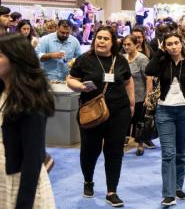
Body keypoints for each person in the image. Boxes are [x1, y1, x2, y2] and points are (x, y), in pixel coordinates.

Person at [66, 26, 135, 207]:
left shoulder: (120, 61)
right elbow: (70, 79)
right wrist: (80, 87)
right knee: (90, 150)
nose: (101, 41)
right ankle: (88, 180)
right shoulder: (84, 59)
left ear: (113, 43)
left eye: (105, 38)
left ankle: (112, 191)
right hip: (92, 113)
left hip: (118, 112)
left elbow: (128, 81)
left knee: (114, 151)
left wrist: (132, 103)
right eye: (99, 38)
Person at [145, 32, 185, 206]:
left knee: (181, 153)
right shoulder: (162, 61)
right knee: (168, 153)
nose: (173, 46)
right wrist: (159, 53)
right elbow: (149, 71)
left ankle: (178, 186)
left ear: (182, 43)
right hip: (165, 111)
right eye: (169, 44)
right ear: (165, 46)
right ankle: (168, 193)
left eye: (176, 43)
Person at [0, 34, 56, 209]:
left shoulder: (30, 100)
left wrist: (23, 205)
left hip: (19, 181)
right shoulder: (3, 91)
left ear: (16, 59)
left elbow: (31, 160)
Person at [122, 35, 152, 156]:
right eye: (124, 44)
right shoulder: (122, 58)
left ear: (136, 45)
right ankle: (122, 142)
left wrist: (148, 96)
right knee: (124, 121)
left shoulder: (142, 59)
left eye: (129, 44)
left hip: (139, 97)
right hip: (125, 97)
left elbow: (149, 79)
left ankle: (140, 145)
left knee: (139, 123)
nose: (126, 47)